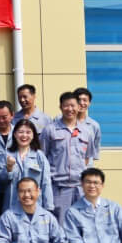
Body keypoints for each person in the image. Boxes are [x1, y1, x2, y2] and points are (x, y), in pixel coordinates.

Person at [40, 91, 94, 222]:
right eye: (66, 105)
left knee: (82, 225)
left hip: (80, 188)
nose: (70, 109)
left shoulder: (87, 131)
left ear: (79, 107)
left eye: (73, 105)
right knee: (61, 226)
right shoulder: (50, 130)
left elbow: (87, 158)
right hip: (58, 188)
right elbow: (42, 157)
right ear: (60, 107)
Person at [0, 119, 54, 213]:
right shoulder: (6, 154)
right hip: (12, 206)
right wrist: (9, 168)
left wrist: (49, 208)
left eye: (28, 132)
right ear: (15, 134)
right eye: (21, 132)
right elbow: (1, 183)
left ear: (33, 135)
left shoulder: (39, 156)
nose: (24, 135)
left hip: (34, 206)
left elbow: (46, 183)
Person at [73, 87, 102, 167]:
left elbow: (95, 147)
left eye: (85, 100)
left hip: (86, 168)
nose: (81, 103)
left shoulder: (94, 125)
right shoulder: (61, 121)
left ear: (89, 103)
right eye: (78, 100)